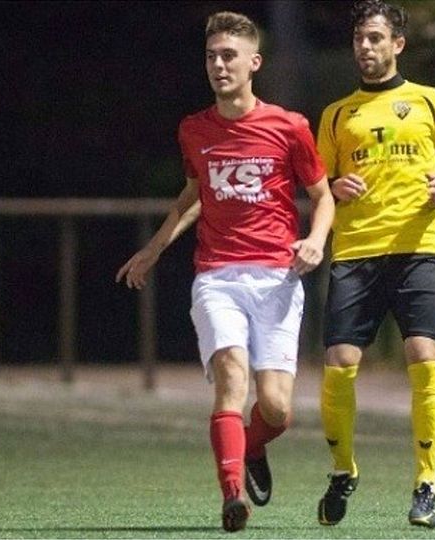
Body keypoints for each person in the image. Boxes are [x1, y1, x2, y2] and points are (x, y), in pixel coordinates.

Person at [116, 11, 334, 532]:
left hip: (278, 278)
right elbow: (194, 196)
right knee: (232, 377)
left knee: (277, 410)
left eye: (228, 55)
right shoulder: (194, 130)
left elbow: (322, 196)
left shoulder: (290, 126)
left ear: (253, 63)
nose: (218, 64)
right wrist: (153, 249)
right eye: (212, 56)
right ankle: (231, 494)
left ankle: (250, 447)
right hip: (216, 276)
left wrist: (316, 240)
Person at [314, 0, 435, 529]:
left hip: (419, 245)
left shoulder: (431, 101)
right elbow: (319, 188)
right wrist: (333, 186)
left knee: (424, 355)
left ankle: (426, 483)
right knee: (339, 363)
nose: (366, 47)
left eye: (376, 38)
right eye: (360, 38)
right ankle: (343, 470)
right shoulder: (337, 114)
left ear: (398, 44)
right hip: (355, 249)